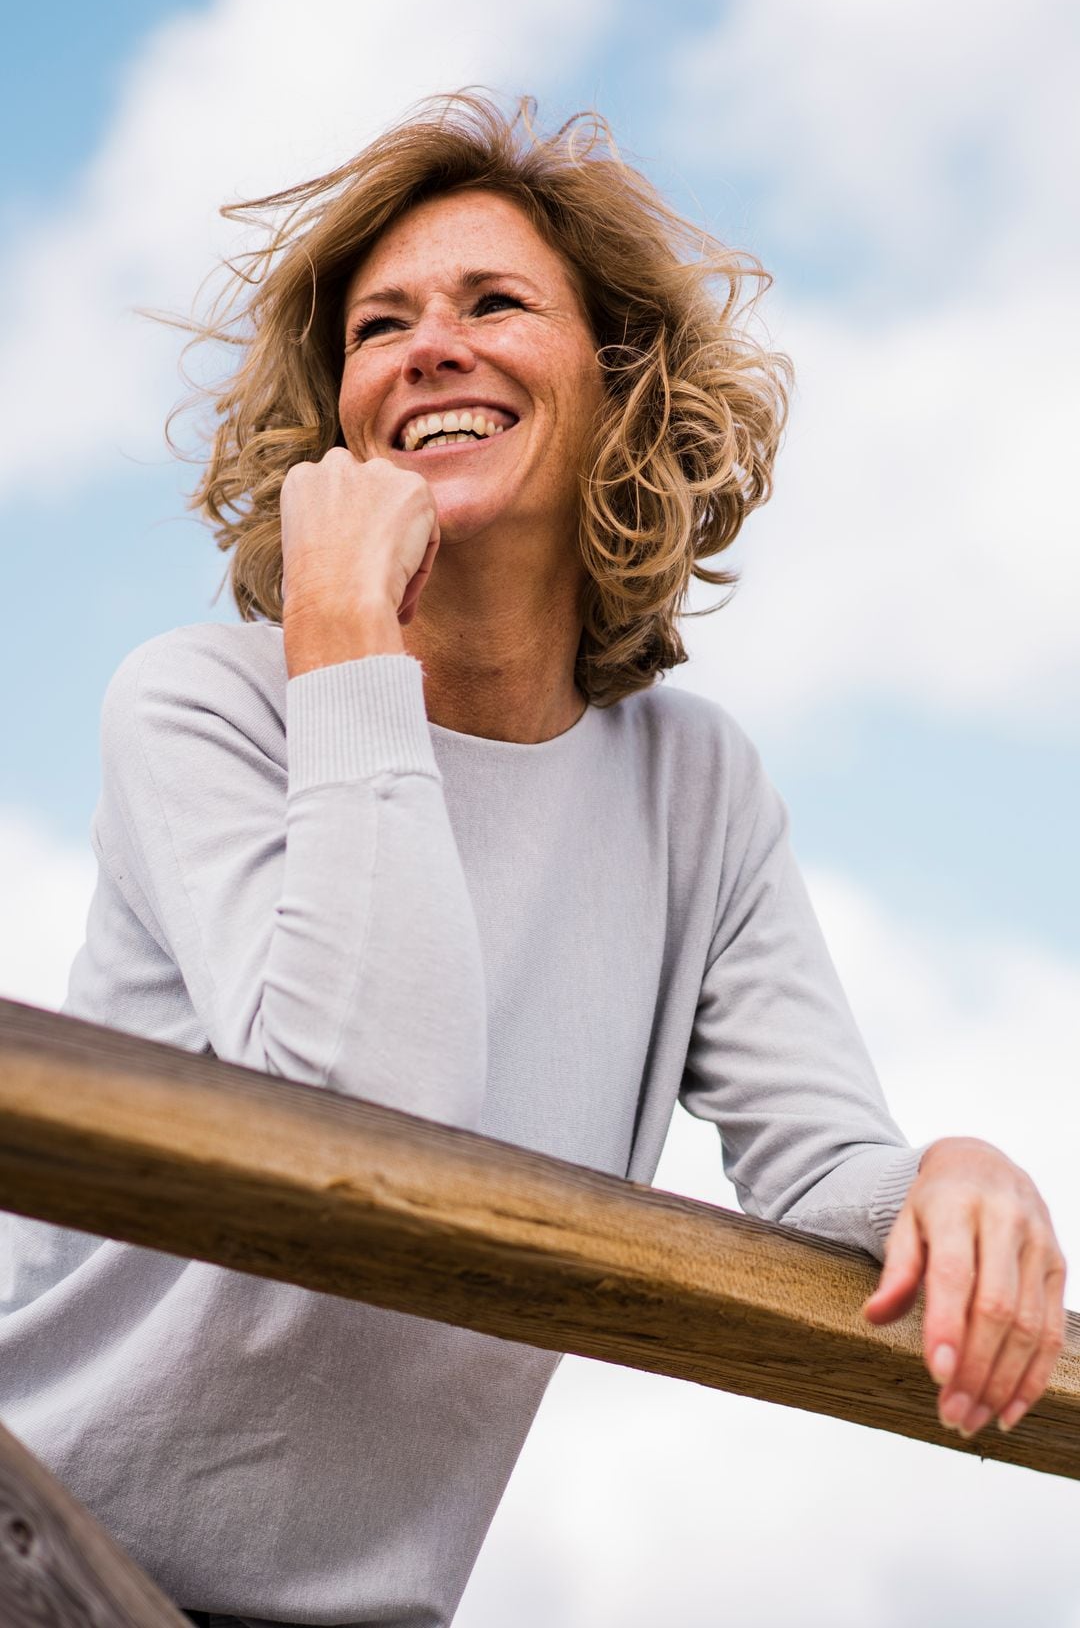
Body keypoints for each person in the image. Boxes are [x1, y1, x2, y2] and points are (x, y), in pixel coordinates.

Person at [0, 93, 1065, 1628]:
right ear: (341, 417)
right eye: (383, 326)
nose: (433, 346)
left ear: (619, 386)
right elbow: (370, 1122)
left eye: (495, 303)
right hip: (42, 1532)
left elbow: (822, 1169)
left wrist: (956, 1183)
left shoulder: (696, 790)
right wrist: (346, 638)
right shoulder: (202, 704)